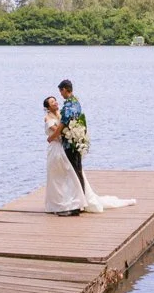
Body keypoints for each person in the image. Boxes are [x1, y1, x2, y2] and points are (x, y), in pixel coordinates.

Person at [45, 77, 136, 215]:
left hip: (70, 143)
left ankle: (76, 206)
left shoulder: (68, 105)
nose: (60, 95)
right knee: (78, 172)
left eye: (60, 92)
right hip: (77, 140)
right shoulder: (76, 102)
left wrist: (52, 137)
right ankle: (81, 202)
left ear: (64, 90)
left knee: (74, 174)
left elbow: (63, 124)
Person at [43, 95, 85, 214]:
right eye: (52, 102)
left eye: (55, 101)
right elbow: (58, 132)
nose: (55, 103)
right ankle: (58, 203)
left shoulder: (61, 114)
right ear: (48, 107)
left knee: (68, 175)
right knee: (58, 177)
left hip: (64, 147)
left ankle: (74, 201)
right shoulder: (48, 118)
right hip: (56, 149)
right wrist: (52, 137)